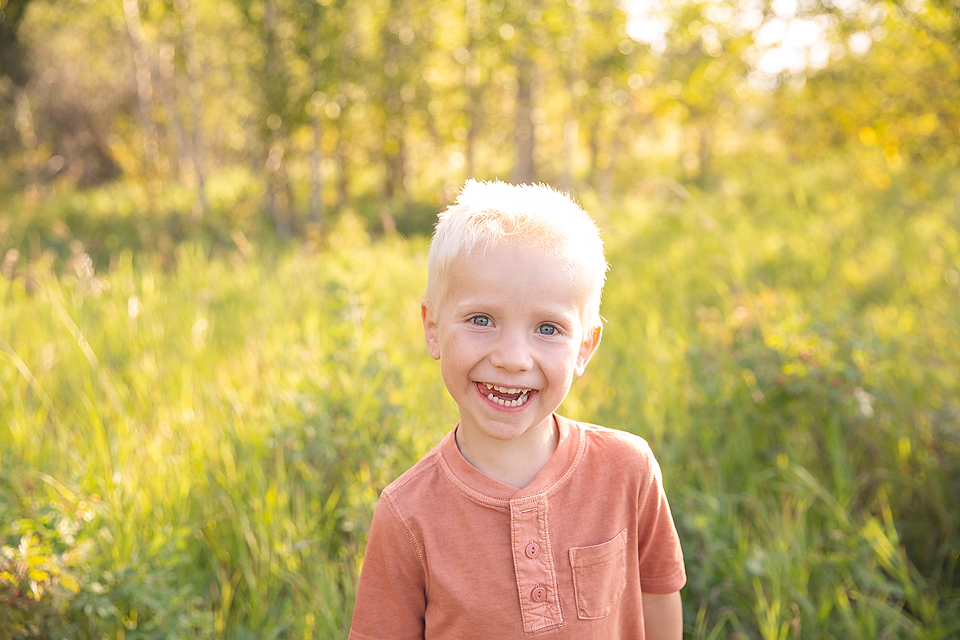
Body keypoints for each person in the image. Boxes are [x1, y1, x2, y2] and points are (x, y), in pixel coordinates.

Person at [349, 180, 685, 639]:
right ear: (432, 328)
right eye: (481, 320)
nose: (512, 357)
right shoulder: (407, 514)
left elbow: (657, 595)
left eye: (547, 328)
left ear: (585, 347)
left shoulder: (628, 470)